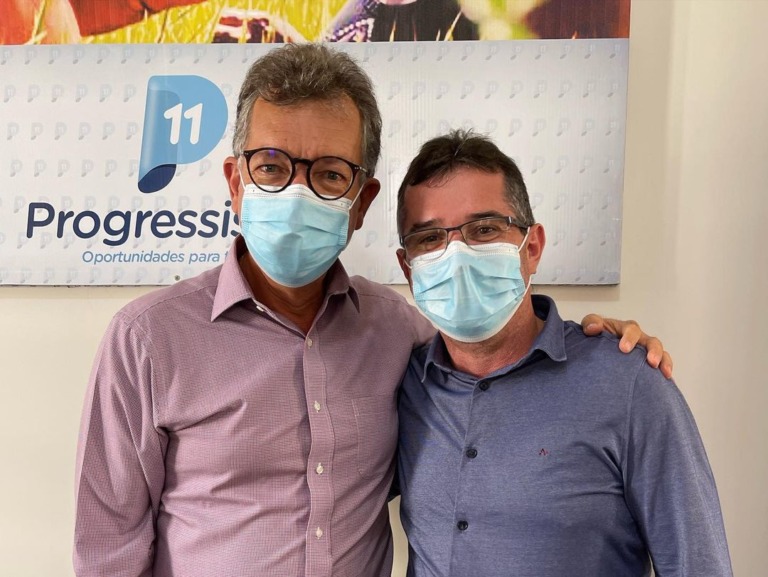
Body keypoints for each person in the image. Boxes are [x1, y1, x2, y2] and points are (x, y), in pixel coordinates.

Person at [74, 44, 670, 577]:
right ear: (235, 183)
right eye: (272, 167)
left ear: (361, 203)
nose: (297, 193)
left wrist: (599, 346)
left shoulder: (401, 332)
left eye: (330, 174)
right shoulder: (147, 340)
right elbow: (108, 549)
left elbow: (496, 365)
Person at [395, 129, 732, 577]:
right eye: (429, 238)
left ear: (531, 248)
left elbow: (698, 564)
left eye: (484, 229)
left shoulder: (629, 385)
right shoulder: (403, 385)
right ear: (408, 268)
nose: (456, 255)